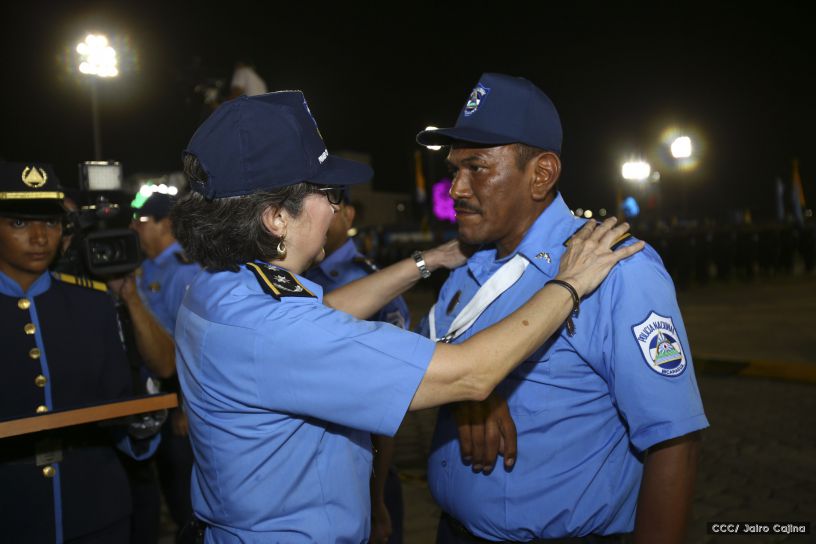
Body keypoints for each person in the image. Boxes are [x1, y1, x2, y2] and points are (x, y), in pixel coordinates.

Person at [170, 90, 642, 543]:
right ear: (276, 217)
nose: (336, 208)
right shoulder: (278, 332)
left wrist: (427, 261)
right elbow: (471, 373)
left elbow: (321, 315)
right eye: (327, 193)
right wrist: (570, 283)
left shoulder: (217, 289)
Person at [415, 73, 709, 543]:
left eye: (477, 168)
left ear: (541, 175)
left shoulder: (612, 267)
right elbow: (414, 364)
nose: (456, 190)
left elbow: (674, 441)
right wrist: (467, 390)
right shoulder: (467, 265)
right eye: (454, 170)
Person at [0, 161, 160, 542]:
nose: (39, 236)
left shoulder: (93, 304)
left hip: (95, 513)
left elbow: (118, 401)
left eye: (50, 223)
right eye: (19, 223)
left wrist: (140, 429)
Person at [303, 194, 409, 544]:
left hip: (365, 462)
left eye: (332, 208)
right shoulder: (298, 273)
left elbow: (386, 396)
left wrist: (375, 498)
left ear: (348, 214)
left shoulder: (367, 279)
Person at [128, 191, 202, 537]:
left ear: (166, 224)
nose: (134, 227)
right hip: (146, 392)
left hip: (175, 398)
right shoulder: (141, 268)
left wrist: (184, 407)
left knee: (181, 492)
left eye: (142, 221)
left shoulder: (183, 271)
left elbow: (191, 345)